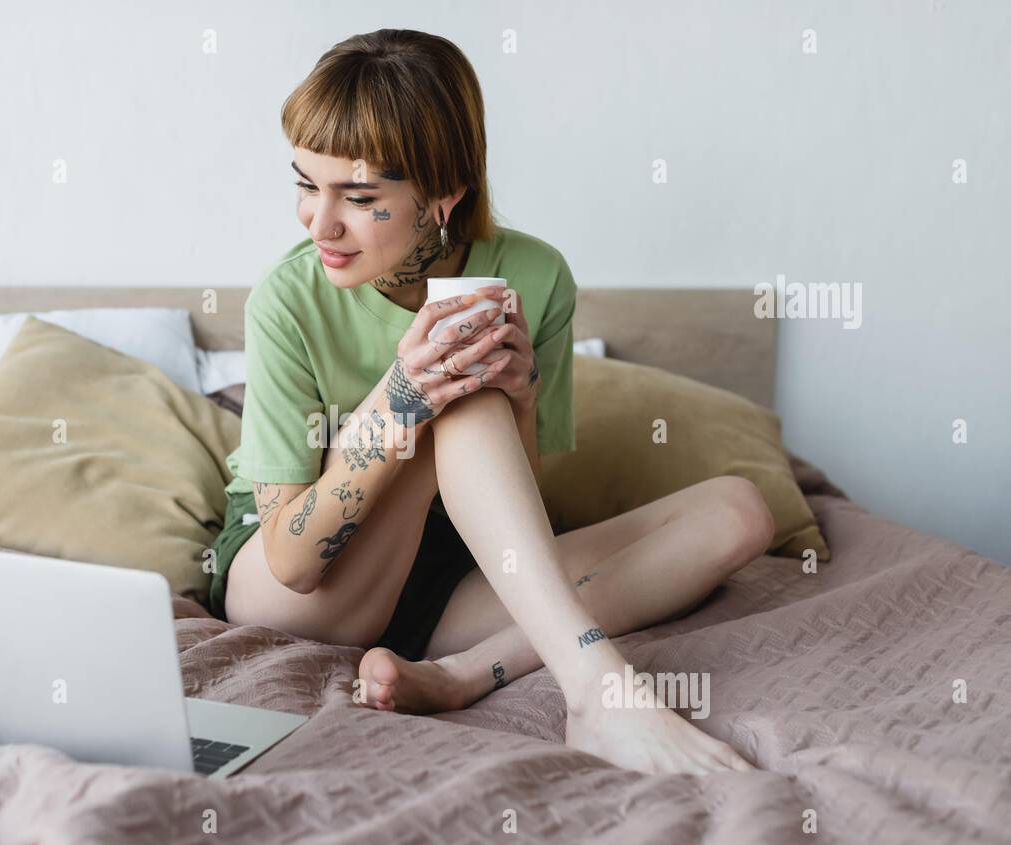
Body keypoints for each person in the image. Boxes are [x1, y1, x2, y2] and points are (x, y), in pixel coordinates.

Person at [208, 29, 772, 775]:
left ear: (444, 195)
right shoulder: (287, 298)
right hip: (300, 569)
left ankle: (463, 674)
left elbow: (516, 513)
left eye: (361, 197)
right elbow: (293, 560)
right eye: (307, 184)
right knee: (454, 385)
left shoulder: (534, 277)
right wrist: (405, 397)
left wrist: (521, 396)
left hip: (445, 574)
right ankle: (599, 691)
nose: (321, 225)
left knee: (740, 511)